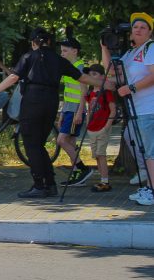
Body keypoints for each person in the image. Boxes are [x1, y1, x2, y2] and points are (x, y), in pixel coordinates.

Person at [0, 28, 107, 198]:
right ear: (49, 42)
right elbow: (82, 78)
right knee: (39, 144)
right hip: (51, 102)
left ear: (33, 43)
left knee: (31, 144)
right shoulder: (58, 60)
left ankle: (39, 185)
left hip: (33, 101)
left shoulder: (29, 57)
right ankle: (50, 184)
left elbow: (14, 77)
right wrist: (107, 84)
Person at [101, 12, 154, 205]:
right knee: (134, 140)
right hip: (137, 110)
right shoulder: (132, 53)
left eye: (143, 27)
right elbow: (112, 73)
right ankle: (148, 185)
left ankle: (152, 190)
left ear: (150, 32)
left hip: (149, 108)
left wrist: (131, 88)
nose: (138, 30)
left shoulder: (150, 48)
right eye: (135, 27)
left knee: (150, 151)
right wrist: (104, 47)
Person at [57, 36, 92, 187]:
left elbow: (84, 91)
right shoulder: (68, 68)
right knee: (70, 142)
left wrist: (79, 111)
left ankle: (83, 169)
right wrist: (62, 113)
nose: (62, 54)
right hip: (68, 109)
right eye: (61, 51)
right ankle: (77, 175)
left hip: (75, 109)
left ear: (75, 51)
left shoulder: (79, 67)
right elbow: (68, 92)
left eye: (65, 51)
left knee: (61, 140)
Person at [83, 64, 116, 193]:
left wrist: (106, 127)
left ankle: (105, 181)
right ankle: (102, 179)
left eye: (94, 74)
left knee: (101, 155)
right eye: (90, 75)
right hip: (92, 129)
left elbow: (113, 110)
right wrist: (87, 124)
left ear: (102, 76)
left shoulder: (106, 92)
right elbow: (89, 110)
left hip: (102, 128)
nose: (91, 77)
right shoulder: (90, 92)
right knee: (96, 155)